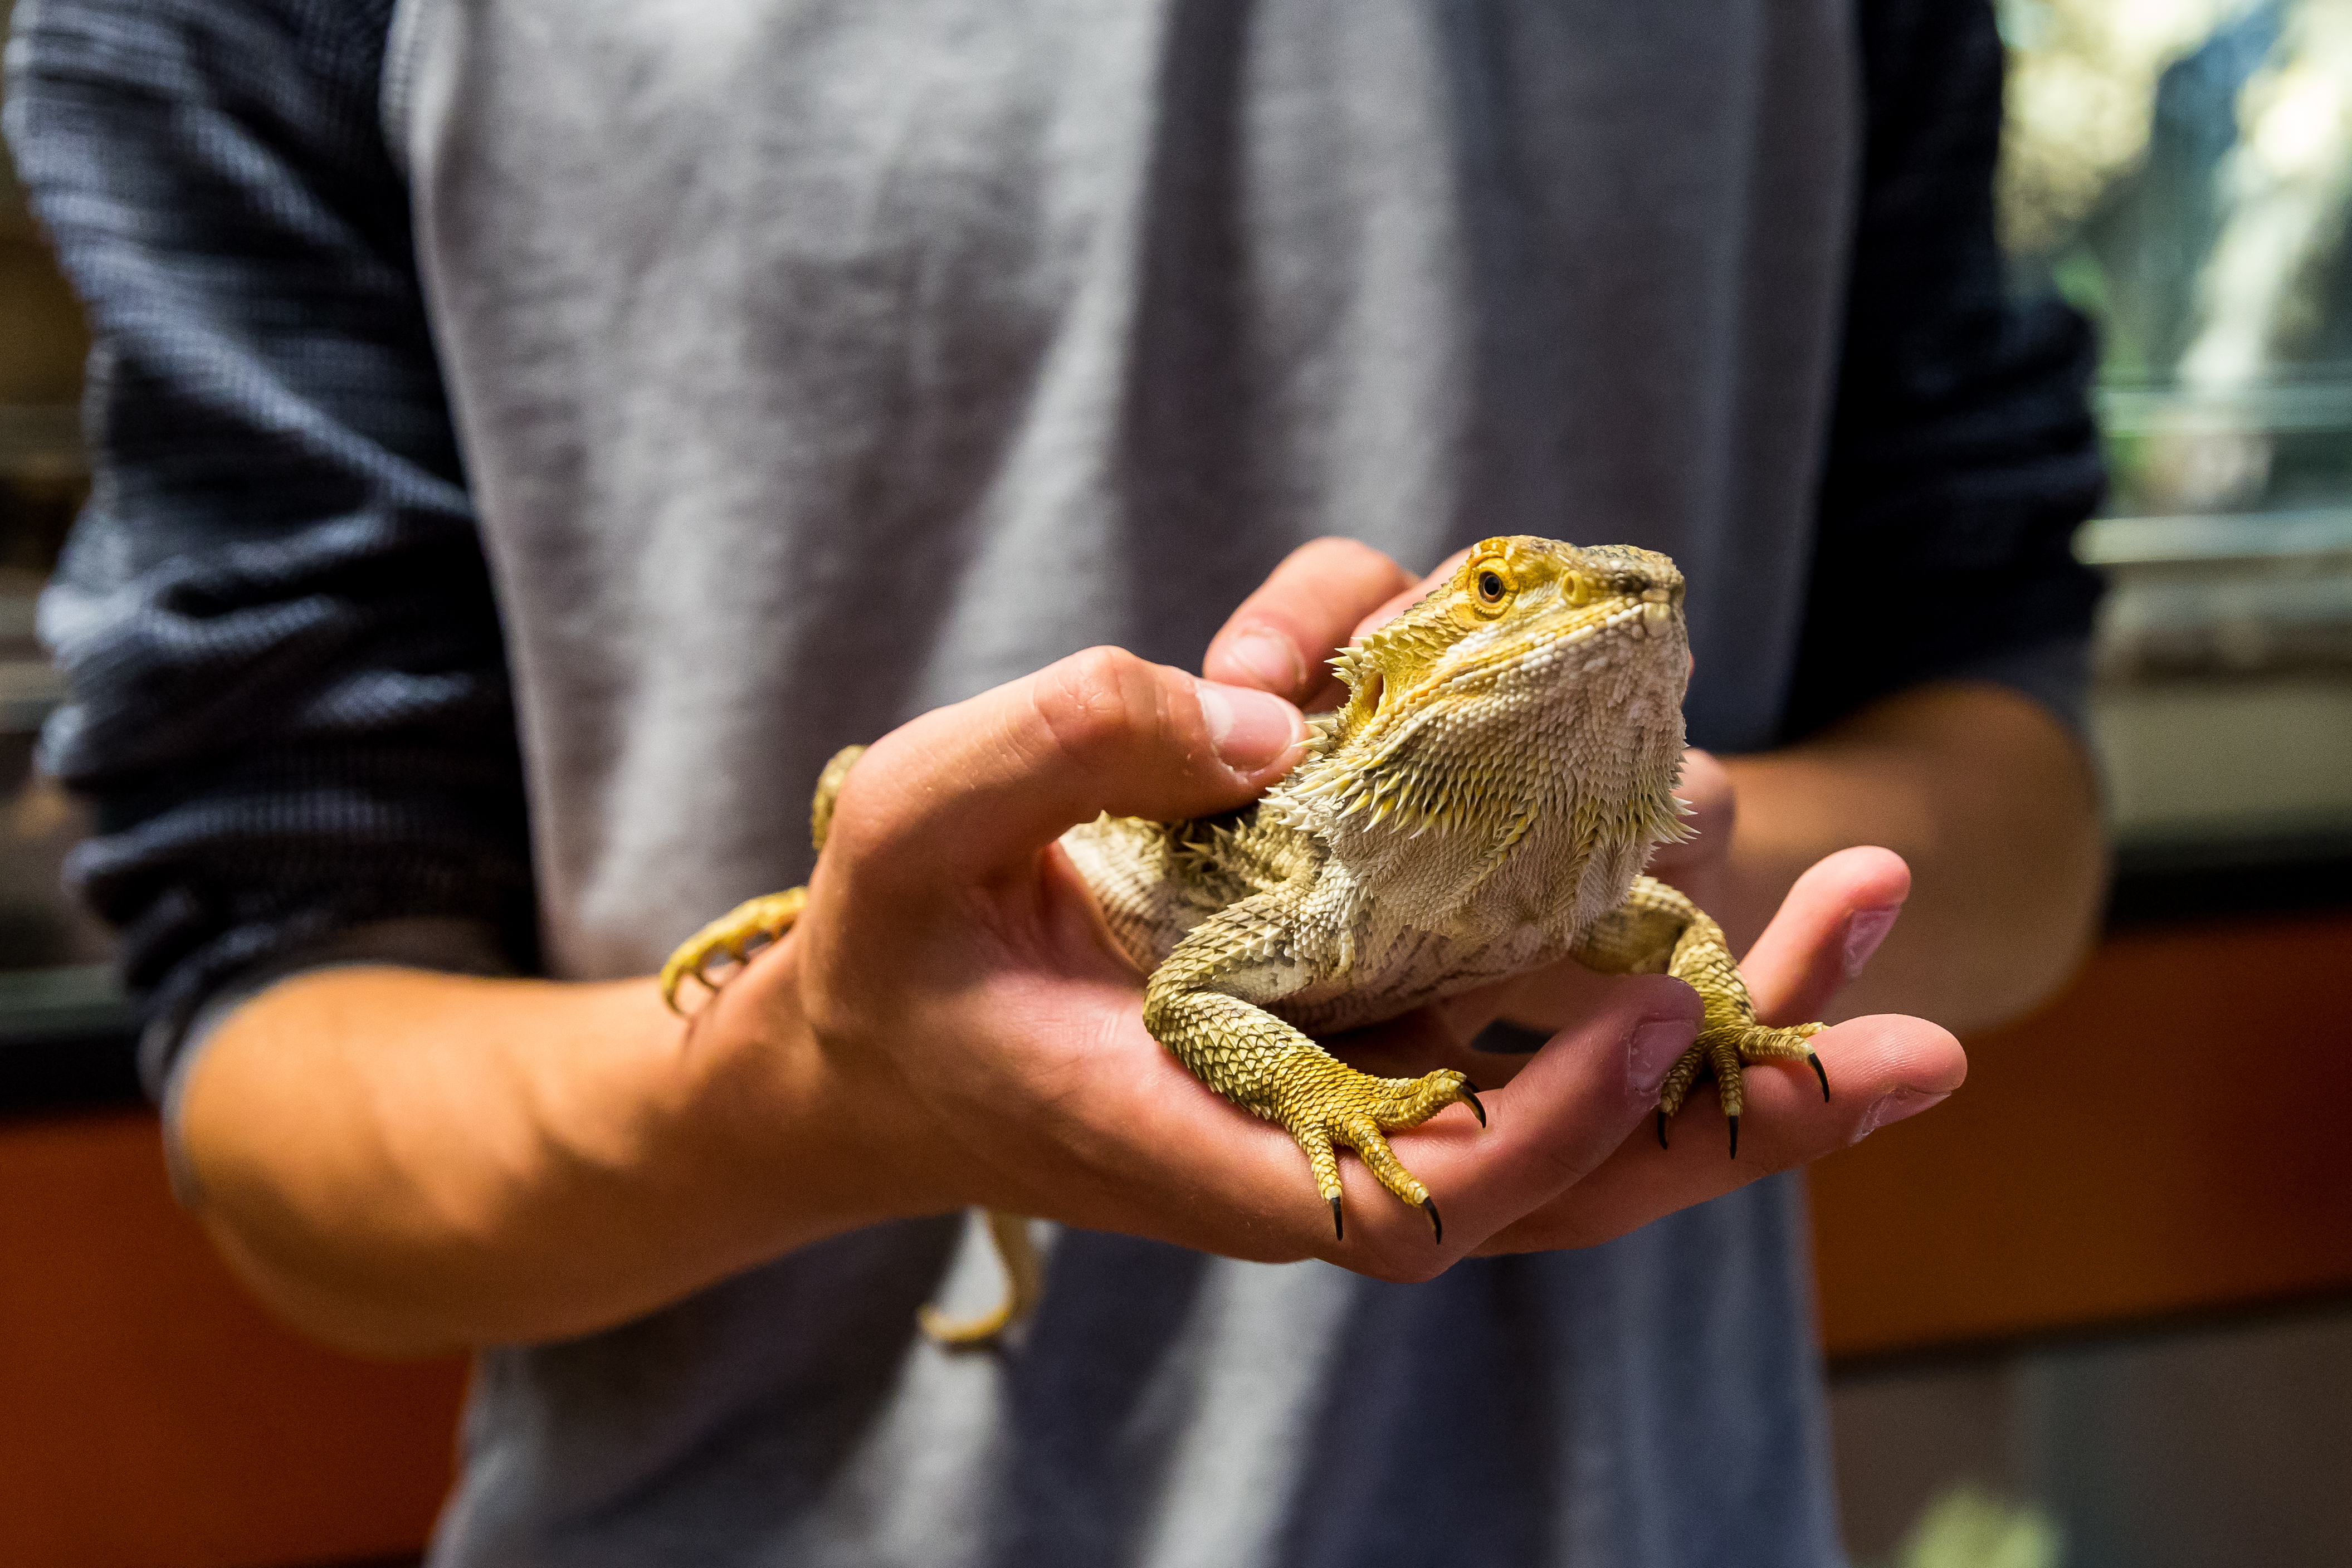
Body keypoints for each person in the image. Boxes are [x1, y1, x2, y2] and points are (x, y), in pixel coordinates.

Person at [8, 0, 2106, 1562]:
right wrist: (813, 1063)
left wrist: (1673, 941)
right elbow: (275, 1070)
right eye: (1513, 594)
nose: (1607, 600)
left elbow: (2016, 771)